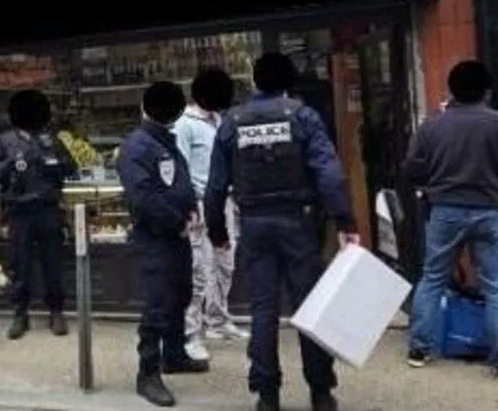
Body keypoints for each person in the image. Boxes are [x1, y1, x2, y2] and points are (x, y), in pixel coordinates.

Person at [205, 53, 358, 411]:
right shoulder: (302, 116)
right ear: (289, 81)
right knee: (310, 308)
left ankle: (267, 394)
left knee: (263, 311)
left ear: (255, 82)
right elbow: (329, 173)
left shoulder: (232, 121)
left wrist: (217, 233)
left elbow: (215, 187)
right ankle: (320, 391)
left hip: (255, 225)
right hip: (298, 224)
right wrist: (345, 221)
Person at [402, 60, 498, 385]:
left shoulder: (433, 126)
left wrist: (433, 182)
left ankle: (420, 350)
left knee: (433, 277)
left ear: (451, 90)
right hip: (490, 211)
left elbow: (412, 168)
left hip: (445, 210)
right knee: (496, 284)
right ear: (487, 90)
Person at [118, 81, 210, 408]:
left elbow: (179, 183)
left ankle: (174, 355)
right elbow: (143, 198)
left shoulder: (164, 141)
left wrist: (192, 211)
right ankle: (148, 373)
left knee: (180, 295)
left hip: (178, 237)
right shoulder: (136, 147)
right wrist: (178, 219)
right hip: (155, 238)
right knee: (157, 304)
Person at [0, 89, 75, 339]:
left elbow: (71, 168)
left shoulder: (52, 139)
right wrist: (10, 163)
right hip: (19, 212)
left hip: (48, 210)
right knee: (19, 265)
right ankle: (19, 314)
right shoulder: (5, 141)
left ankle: (56, 312)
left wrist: (52, 161)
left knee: (53, 263)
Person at [172, 67, 248, 363]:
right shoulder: (184, 125)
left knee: (224, 265)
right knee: (199, 272)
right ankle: (191, 334)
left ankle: (218, 321)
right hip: (201, 205)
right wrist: (191, 207)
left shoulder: (220, 121)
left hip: (224, 202)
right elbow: (180, 169)